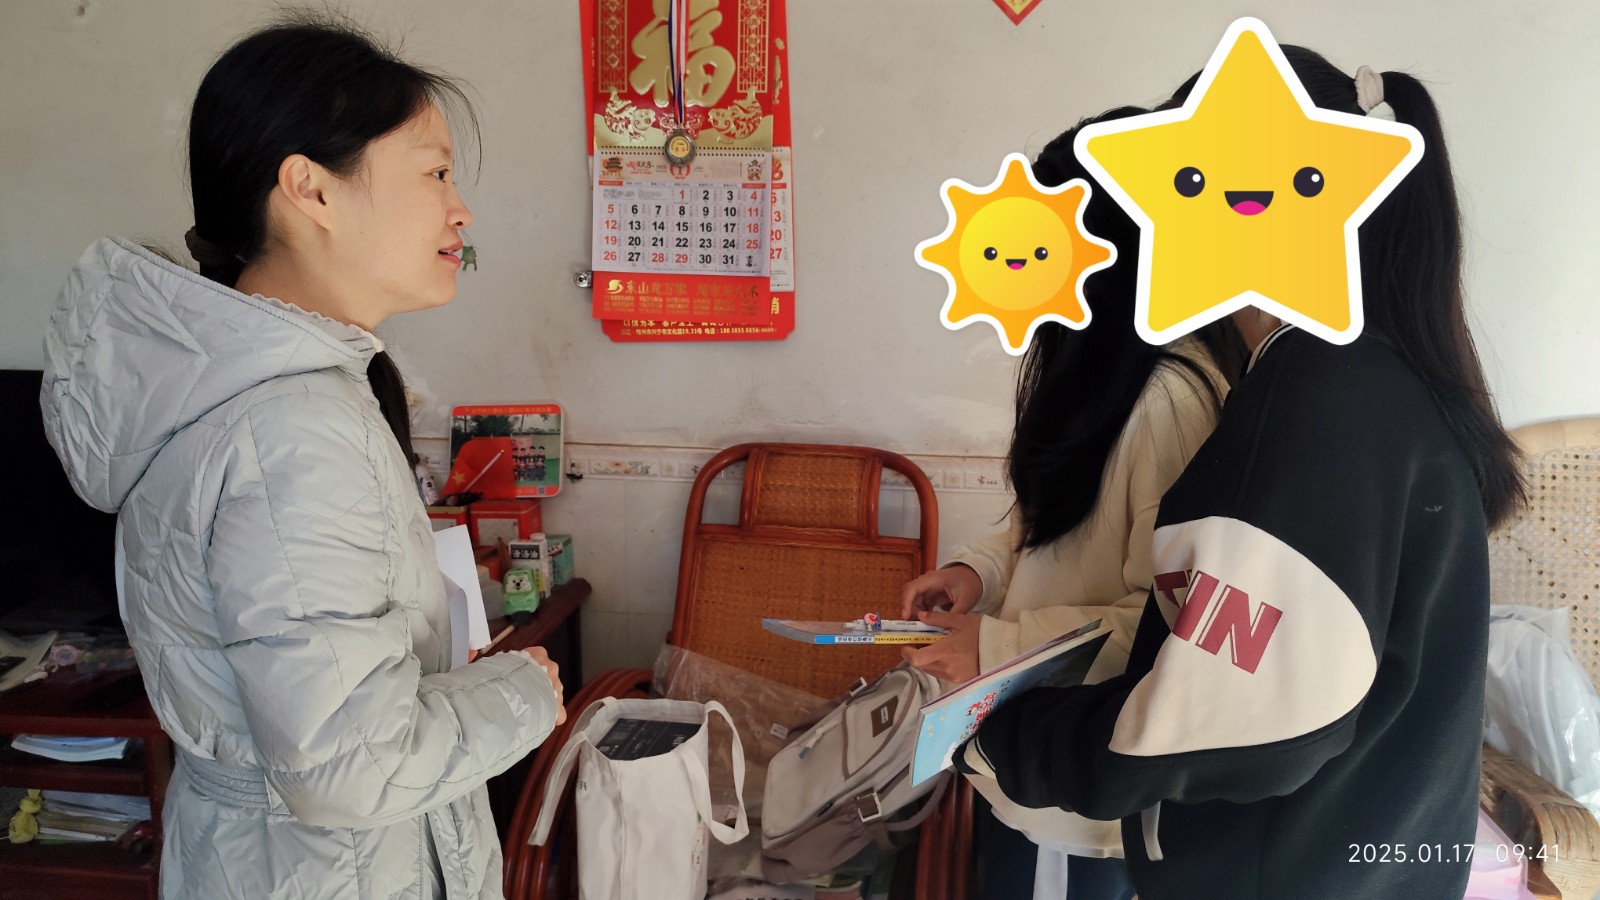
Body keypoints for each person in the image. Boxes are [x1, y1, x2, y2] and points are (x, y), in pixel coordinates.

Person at [958, 47, 1525, 900]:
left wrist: (999, 733)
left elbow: (1227, 716)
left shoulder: (1321, 400)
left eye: (1178, 188)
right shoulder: (1371, 379)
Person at [39, 15, 564, 900]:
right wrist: (524, 692)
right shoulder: (293, 431)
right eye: (435, 171)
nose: (460, 208)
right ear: (310, 189)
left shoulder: (249, 397)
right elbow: (352, 769)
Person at [900, 112, 1248, 899]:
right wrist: (976, 573)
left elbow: (1175, 625)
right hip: (1028, 753)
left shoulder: (1169, 400)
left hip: (1082, 795)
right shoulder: (1097, 373)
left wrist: (997, 645)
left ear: (1112, 250)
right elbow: (1049, 527)